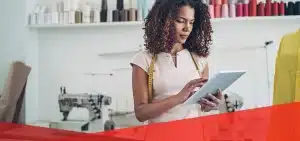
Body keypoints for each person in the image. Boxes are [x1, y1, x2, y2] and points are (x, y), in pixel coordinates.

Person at [130, 0, 222, 124]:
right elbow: (141, 113)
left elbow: (201, 106)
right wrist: (179, 98)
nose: (187, 28)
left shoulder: (199, 59)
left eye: (191, 22)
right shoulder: (144, 60)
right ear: (164, 21)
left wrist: (211, 104)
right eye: (180, 21)